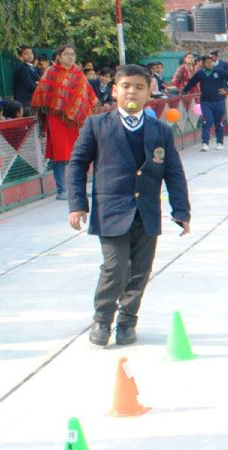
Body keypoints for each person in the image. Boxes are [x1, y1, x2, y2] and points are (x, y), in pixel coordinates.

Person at [66, 64, 191, 348]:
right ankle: (102, 320)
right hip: (110, 210)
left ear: (149, 93)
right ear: (114, 91)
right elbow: (77, 164)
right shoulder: (97, 125)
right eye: (125, 86)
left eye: (139, 87)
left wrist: (181, 210)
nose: (131, 92)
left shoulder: (160, 129)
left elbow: (173, 171)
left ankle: (127, 322)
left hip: (146, 211)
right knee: (115, 267)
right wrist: (77, 204)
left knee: (141, 271)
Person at [31, 45, 98, 200]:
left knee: (79, 154)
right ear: (59, 57)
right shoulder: (51, 73)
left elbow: (87, 95)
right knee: (60, 154)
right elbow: (42, 93)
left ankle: (79, 188)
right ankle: (61, 190)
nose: (71, 57)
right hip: (57, 119)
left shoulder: (78, 73)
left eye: (73, 54)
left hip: (76, 120)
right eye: (67, 54)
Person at [182, 55, 228, 152]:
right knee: (207, 121)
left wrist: (227, 89)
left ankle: (219, 142)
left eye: (211, 62)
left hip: (219, 101)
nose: (209, 64)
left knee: (218, 122)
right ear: (203, 64)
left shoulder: (219, 71)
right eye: (207, 62)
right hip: (205, 102)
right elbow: (191, 83)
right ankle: (205, 143)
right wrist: (183, 91)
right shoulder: (200, 73)